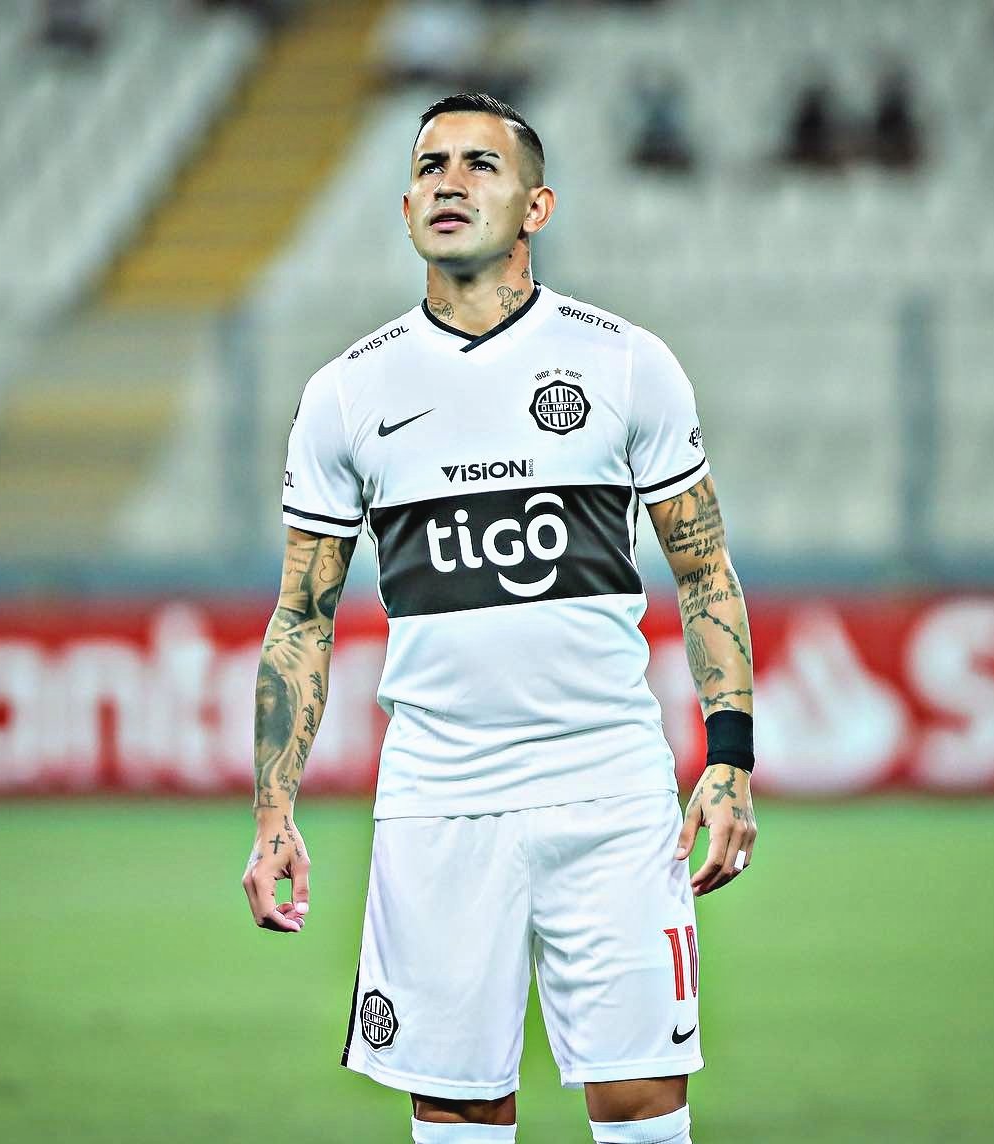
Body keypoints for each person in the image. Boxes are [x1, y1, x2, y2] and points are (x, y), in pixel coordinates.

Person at [243, 92, 757, 1144]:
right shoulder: (347, 393)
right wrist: (273, 809)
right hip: (440, 795)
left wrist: (730, 760)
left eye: (481, 164)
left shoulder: (626, 363)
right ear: (405, 209)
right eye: (429, 165)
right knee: (459, 1106)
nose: (450, 182)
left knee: (642, 1100)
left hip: (609, 786)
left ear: (537, 205)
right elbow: (302, 614)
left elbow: (705, 571)